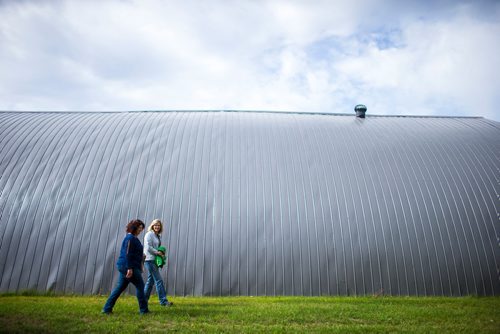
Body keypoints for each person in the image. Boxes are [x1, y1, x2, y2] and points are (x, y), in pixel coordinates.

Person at [102, 219, 149, 315]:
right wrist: (129, 268)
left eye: (141, 228)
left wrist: (141, 258)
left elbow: (133, 253)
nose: (140, 230)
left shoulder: (133, 238)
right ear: (133, 227)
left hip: (127, 266)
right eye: (139, 228)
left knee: (119, 287)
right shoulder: (130, 238)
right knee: (140, 286)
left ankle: (106, 309)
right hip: (128, 266)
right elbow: (128, 254)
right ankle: (144, 310)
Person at [143, 219, 173, 307]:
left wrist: (161, 253)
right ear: (152, 225)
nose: (157, 226)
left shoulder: (157, 236)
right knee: (158, 280)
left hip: (154, 260)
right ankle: (163, 301)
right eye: (155, 225)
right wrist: (157, 252)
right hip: (149, 259)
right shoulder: (149, 234)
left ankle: (143, 300)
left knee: (150, 281)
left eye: (159, 225)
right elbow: (148, 247)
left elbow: (158, 247)